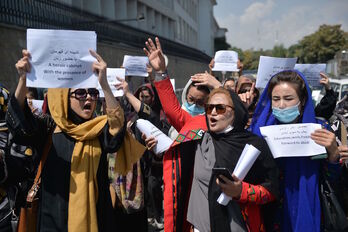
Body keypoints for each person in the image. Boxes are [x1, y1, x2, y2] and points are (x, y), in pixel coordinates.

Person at [143, 37, 278, 232]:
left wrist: (241, 191)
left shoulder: (254, 144)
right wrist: (161, 72)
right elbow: (172, 110)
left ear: (235, 112)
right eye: (209, 108)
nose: (213, 112)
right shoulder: (198, 127)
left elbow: (270, 190)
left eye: (220, 108)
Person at [7, 49, 145, 231]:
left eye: (93, 93)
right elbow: (19, 126)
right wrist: (24, 79)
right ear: (64, 97)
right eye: (80, 93)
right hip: (53, 221)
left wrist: (104, 84)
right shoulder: (49, 127)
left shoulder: (99, 128)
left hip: (96, 221)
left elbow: (117, 129)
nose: (88, 97)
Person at [250, 70, 340, 232]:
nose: (281, 105)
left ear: (303, 100)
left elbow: (332, 179)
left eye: (289, 98)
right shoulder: (260, 131)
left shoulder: (320, 130)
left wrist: (333, 154)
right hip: (270, 211)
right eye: (276, 99)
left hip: (307, 209)